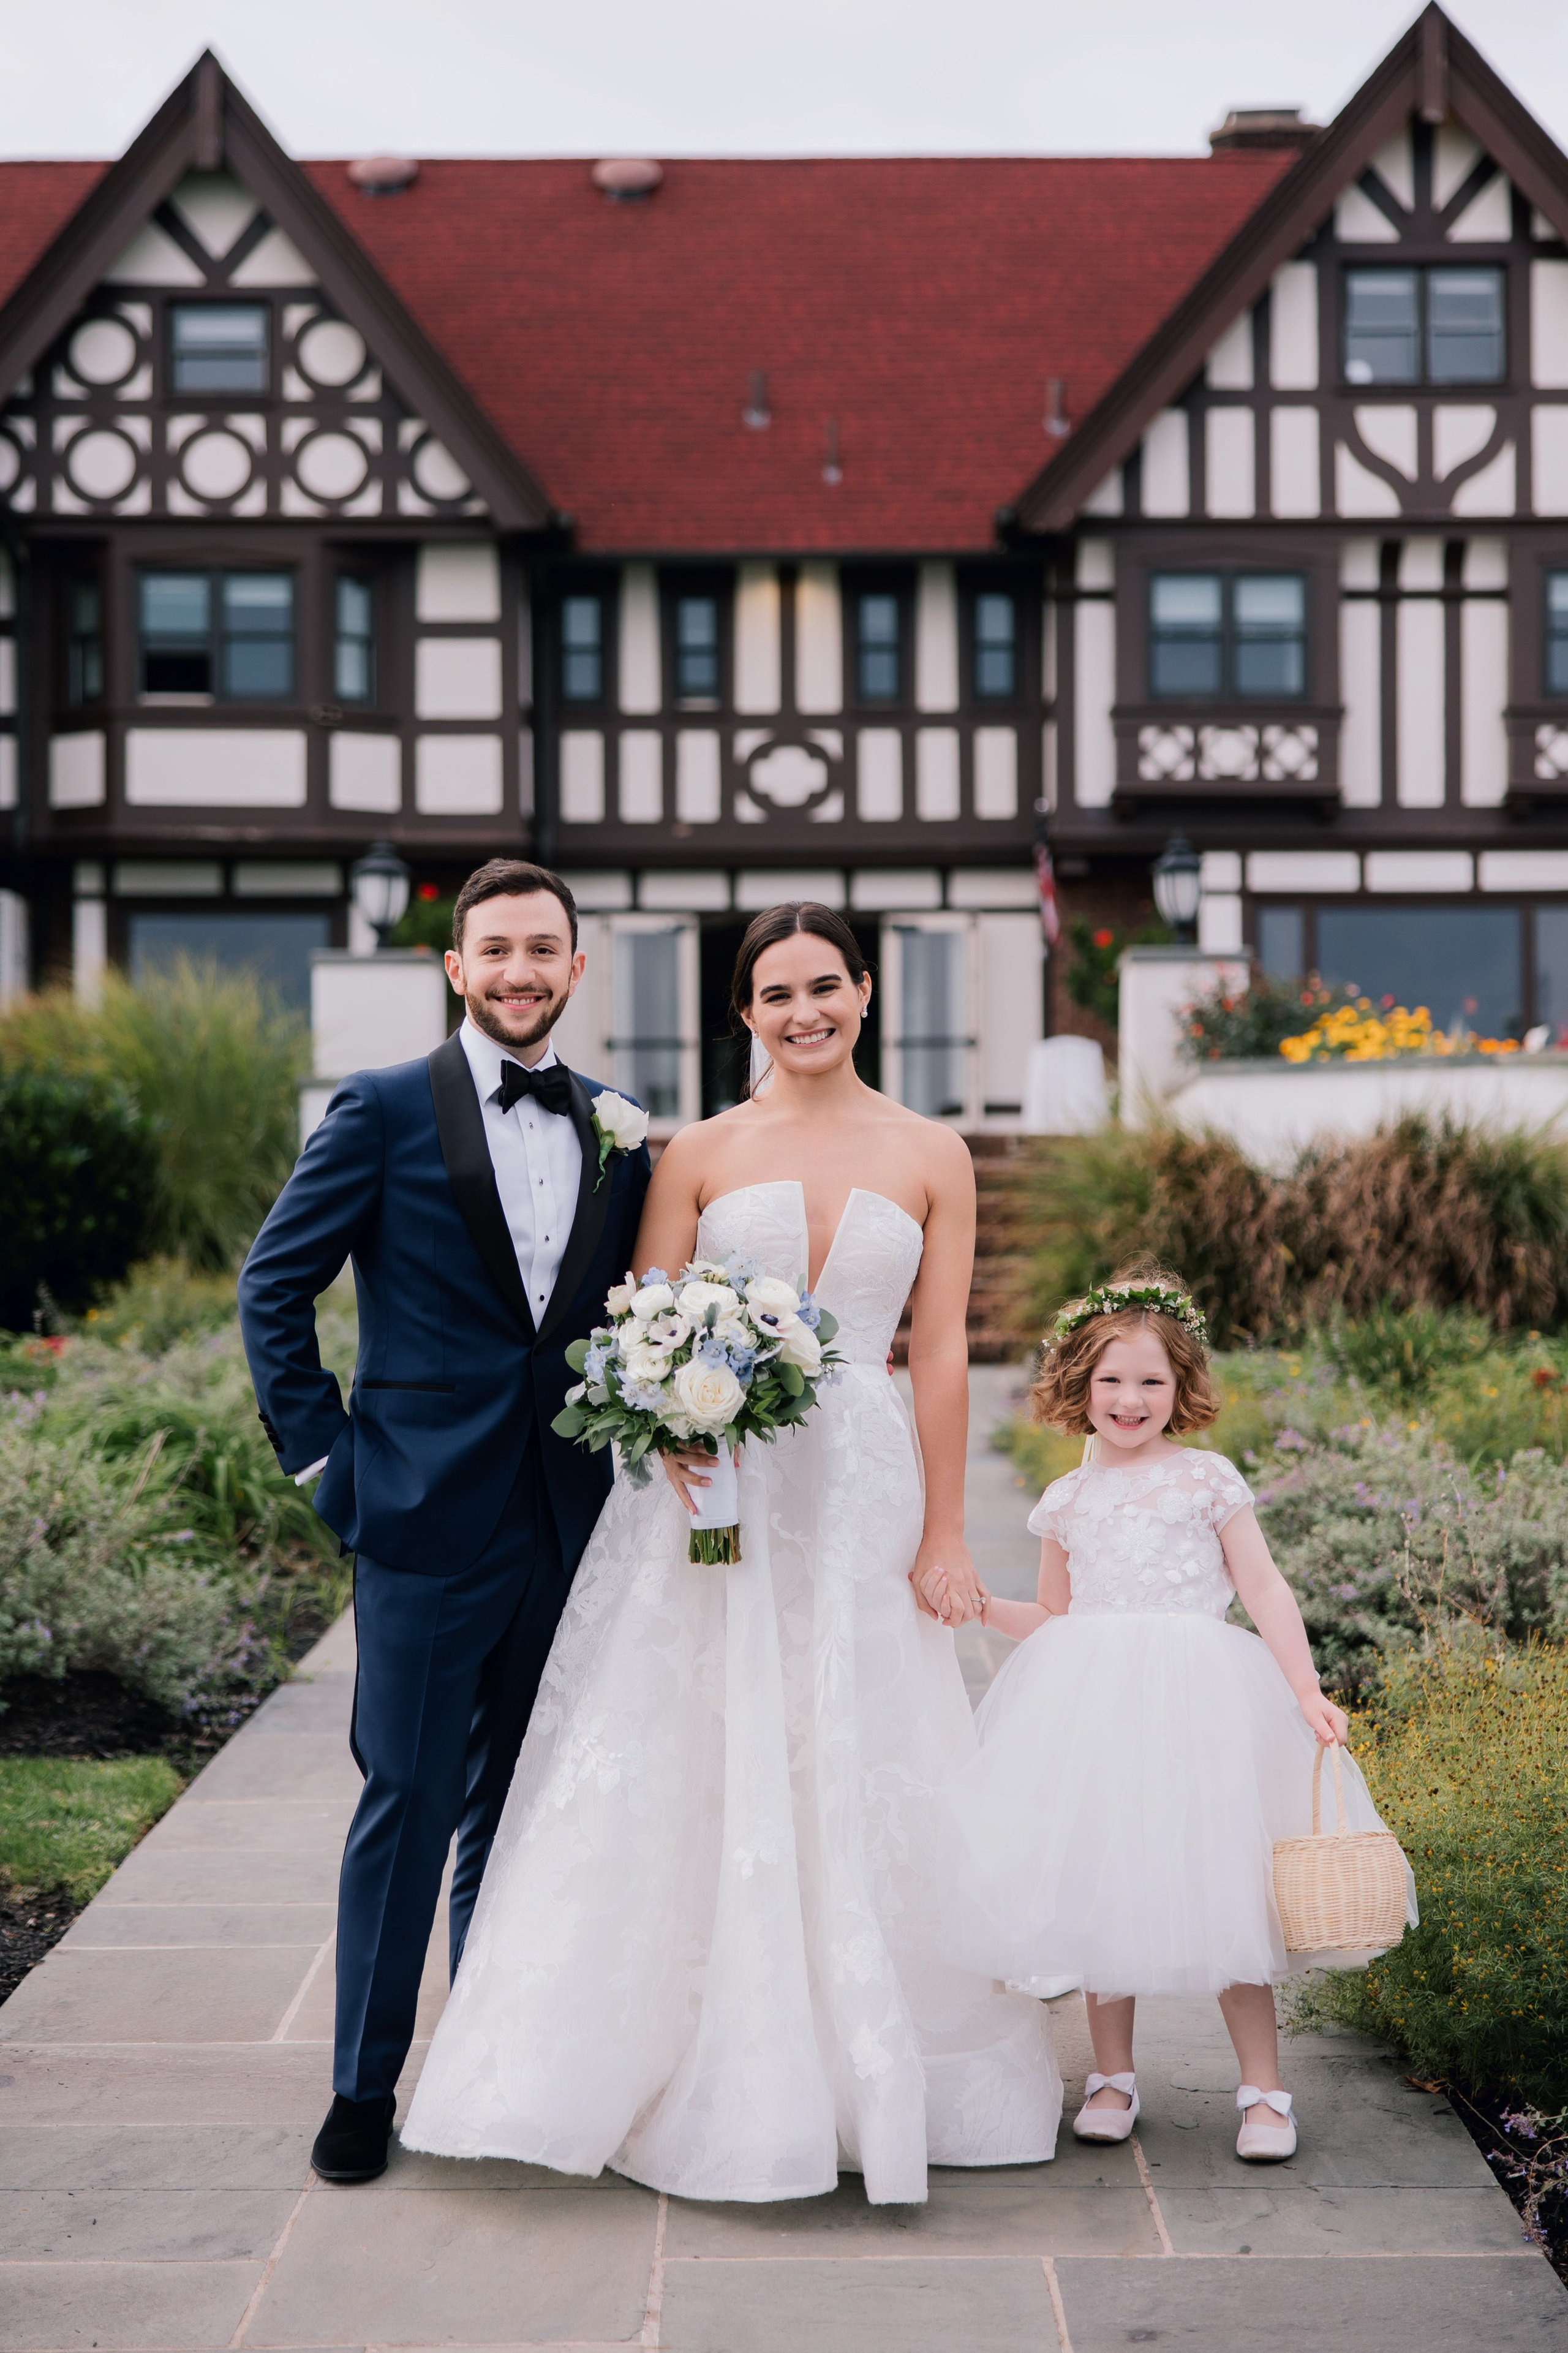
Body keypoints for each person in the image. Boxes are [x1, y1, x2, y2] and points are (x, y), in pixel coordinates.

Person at [401, 903, 1062, 2204]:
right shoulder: (693, 1150)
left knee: (866, 1733)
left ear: (865, 993)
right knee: (696, 1736)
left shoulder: (933, 1153)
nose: (802, 1010)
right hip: (717, 1484)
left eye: (825, 984)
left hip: (861, 1484)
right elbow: (634, 1322)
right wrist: (674, 1435)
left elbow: (935, 1353)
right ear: (744, 1014)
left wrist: (943, 1527)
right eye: (775, 993)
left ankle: (879, 2061)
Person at [237, 859, 650, 2187]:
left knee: (522, 1811)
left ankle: (487, 2063)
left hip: (568, 1517)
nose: (521, 970)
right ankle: (363, 2085)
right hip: (415, 1514)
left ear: (575, 969)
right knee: (405, 1803)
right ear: (456, 968)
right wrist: (328, 1470)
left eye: (545, 948)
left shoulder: (616, 1128)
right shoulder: (377, 1110)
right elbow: (273, 1290)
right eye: (496, 949)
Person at [920, 1261, 1416, 2164]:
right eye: (1111, 1378)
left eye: (1152, 1379)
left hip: (1201, 1700)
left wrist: (1306, 1689)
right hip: (1094, 1707)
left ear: (1181, 1387)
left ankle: (1264, 2089)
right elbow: (1058, 1618)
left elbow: (1263, 1587)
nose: (1130, 1396)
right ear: (1080, 1384)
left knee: (1223, 1883)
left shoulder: (1207, 1480)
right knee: (1105, 1881)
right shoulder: (1067, 1499)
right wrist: (983, 1608)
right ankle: (1112, 2075)